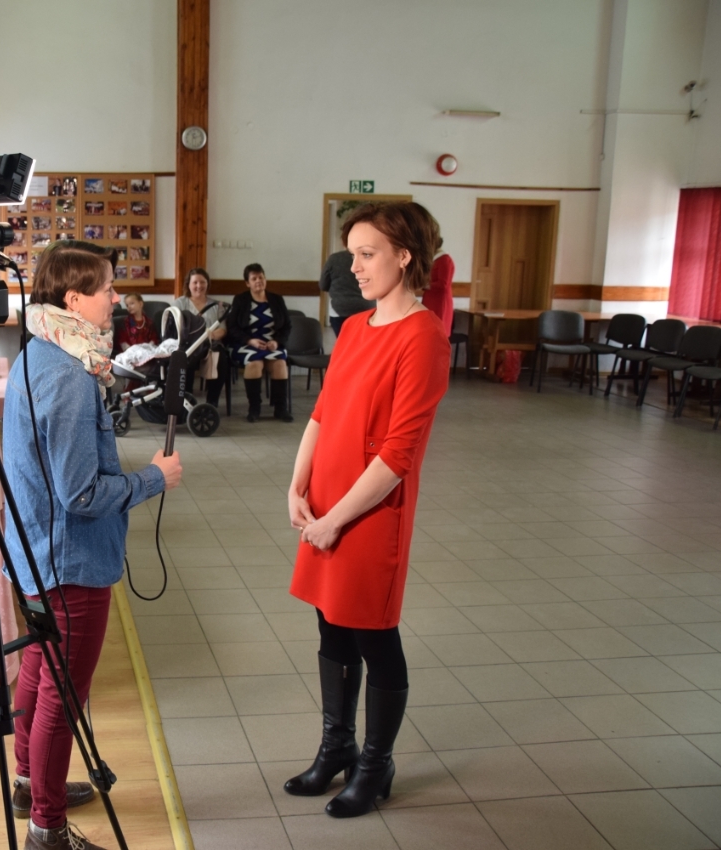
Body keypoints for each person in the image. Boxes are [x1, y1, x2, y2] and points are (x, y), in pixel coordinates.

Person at [3, 240, 183, 850]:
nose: (115, 296)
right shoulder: (70, 378)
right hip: (69, 564)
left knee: (37, 672)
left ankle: (28, 784)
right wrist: (153, 479)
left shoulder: (38, 350)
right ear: (74, 299)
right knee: (61, 698)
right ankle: (47, 828)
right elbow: (80, 494)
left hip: (35, 554)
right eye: (107, 288)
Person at [283, 202, 449, 818]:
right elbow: (322, 414)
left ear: (404, 256)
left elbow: (399, 455)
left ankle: (376, 765)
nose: (352, 267)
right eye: (351, 253)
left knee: (374, 634)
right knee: (331, 623)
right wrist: (297, 487)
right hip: (325, 502)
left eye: (366, 253)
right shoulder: (354, 327)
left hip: (370, 512)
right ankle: (337, 748)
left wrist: (336, 520)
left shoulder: (424, 338)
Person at [225, 262, 293, 422]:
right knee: (254, 363)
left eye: (261, 277)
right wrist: (250, 340)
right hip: (245, 344)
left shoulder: (276, 299)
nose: (258, 281)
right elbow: (232, 327)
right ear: (247, 283)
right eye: (254, 278)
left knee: (280, 363)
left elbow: (287, 326)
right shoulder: (240, 300)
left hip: (272, 344)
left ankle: (280, 409)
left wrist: (277, 342)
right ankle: (254, 408)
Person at [171, 267, 228, 407]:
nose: (199, 286)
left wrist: (211, 335)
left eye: (202, 282)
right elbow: (174, 328)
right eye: (195, 282)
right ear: (188, 284)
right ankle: (187, 401)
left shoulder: (217, 305)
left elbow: (223, 329)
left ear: (207, 284)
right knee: (185, 359)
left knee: (222, 358)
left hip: (210, 345)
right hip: (188, 346)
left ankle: (212, 402)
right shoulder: (180, 303)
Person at [319, 248, 374, 337]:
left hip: (340, 308)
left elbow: (323, 285)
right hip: (367, 307)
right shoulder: (373, 257)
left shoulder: (334, 258)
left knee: (343, 341)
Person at [422, 232, 455, 336]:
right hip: (431, 299)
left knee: (437, 331)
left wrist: (426, 285)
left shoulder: (445, 260)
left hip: (439, 302)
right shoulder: (435, 259)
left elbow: (443, 284)